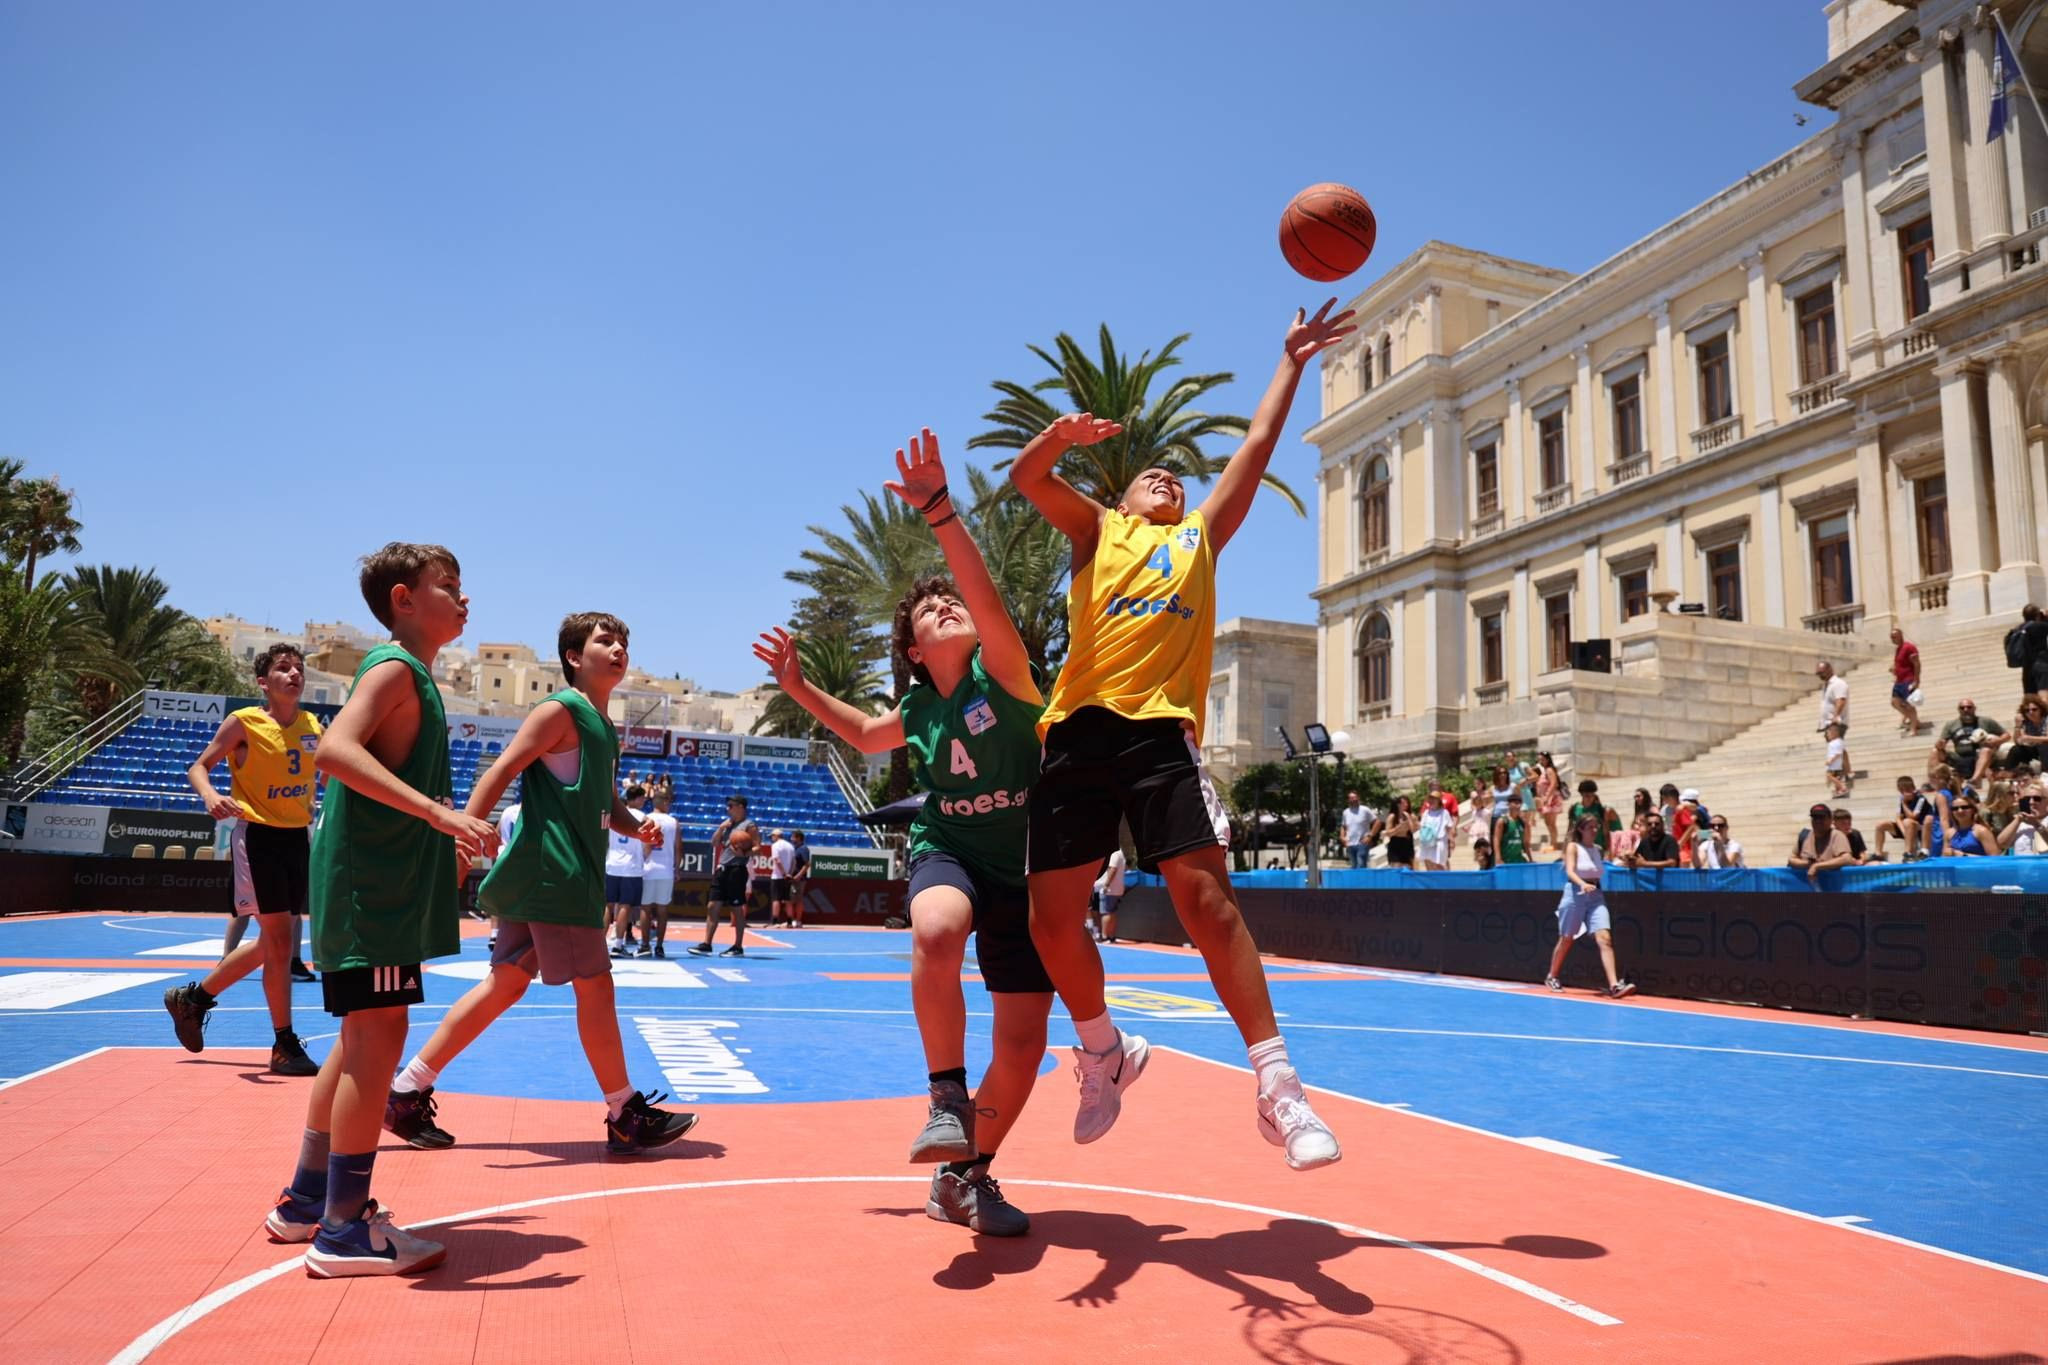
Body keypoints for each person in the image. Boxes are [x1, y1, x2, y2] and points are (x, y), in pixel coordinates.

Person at [1007, 301, 1353, 1170]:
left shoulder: (1200, 537)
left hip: (1160, 731)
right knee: (1050, 923)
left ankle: (1278, 1086)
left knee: (1206, 902)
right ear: (1121, 498)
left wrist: (1291, 360)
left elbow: (1258, 445)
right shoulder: (1098, 530)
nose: (1165, 477)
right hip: (1077, 733)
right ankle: (1104, 1049)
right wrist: (1058, 438)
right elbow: (1027, 477)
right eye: (1148, 475)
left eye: (1175, 476)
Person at [749, 427, 1057, 1234]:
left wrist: (941, 512)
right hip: (949, 848)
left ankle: (964, 1176)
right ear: (916, 651)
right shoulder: (918, 706)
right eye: (929, 609)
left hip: (1025, 869)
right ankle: (945, 1094)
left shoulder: (1007, 672)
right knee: (938, 927)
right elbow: (860, 732)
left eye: (951, 600)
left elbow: (985, 597)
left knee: (1024, 1043)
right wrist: (798, 685)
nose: (948, 604)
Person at [259, 542, 498, 1275]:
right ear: (403, 599)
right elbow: (334, 750)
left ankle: (307, 1200)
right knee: (379, 1036)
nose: (464, 598)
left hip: (376, 885)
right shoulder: (394, 668)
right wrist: (438, 814)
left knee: (359, 1038)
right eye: (448, 586)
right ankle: (344, 1227)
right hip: (372, 891)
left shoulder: (411, 675)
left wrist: (442, 835)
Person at [383, 611, 695, 1156]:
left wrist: (633, 826)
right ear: (574, 657)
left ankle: (406, 1091)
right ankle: (624, 1112)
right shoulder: (560, 711)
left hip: (551, 873)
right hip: (558, 873)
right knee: (595, 986)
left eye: (623, 641)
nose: (619, 648)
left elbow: (604, 801)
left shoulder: (602, 725)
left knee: (504, 984)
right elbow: (500, 770)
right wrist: (464, 837)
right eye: (605, 640)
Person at [164, 643, 324, 1076]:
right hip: (258, 836)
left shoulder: (313, 725)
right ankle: (283, 1043)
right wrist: (211, 795)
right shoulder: (245, 722)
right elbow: (199, 767)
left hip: (297, 837)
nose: (294, 674)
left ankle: (193, 999)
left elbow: (330, 772)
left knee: (275, 943)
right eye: (283, 668)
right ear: (263, 682)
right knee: (280, 942)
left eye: (299, 668)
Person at [1545, 814, 1635, 999]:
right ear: (1581, 829)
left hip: (1596, 895)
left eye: (1596, 827)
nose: (1594, 830)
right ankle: (1552, 976)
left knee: (1605, 938)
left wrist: (1624, 860)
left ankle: (1614, 985)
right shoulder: (1573, 847)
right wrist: (1582, 884)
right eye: (1590, 827)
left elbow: (1603, 867)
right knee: (1567, 938)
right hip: (1575, 893)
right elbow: (1570, 871)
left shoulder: (1598, 849)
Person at [688, 796, 758, 957]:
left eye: (731, 805)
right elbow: (714, 843)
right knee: (712, 906)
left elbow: (757, 848)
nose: (728, 808)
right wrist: (720, 829)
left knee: (736, 908)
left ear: (741, 807)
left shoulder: (750, 826)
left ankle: (738, 946)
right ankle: (707, 944)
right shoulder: (727, 824)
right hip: (722, 868)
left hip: (737, 869)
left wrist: (744, 853)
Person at [605, 784, 649, 957]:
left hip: (612, 863)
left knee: (608, 906)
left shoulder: (614, 814)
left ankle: (599, 944)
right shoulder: (641, 816)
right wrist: (643, 859)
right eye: (642, 798)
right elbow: (647, 843)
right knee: (625, 905)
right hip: (631, 866)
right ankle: (618, 944)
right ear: (637, 799)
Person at [637, 789, 679, 955]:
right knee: (662, 910)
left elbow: (642, 844)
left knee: (645, 908)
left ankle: (645, 944)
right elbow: (678, 847)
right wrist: (677, 868)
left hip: (647, 868)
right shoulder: (673, 822)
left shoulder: (646, 818)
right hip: (666, 870)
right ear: (664, 802)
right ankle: (659, 945)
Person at [1933, 699, 2004, 788]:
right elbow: (1942, 742)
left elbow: (2006, 735)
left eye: (1969, 707)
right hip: (1959, 757)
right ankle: (1933, 781)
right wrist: (1940, 745)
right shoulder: (1951, 724)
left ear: (1974, 708)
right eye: (1962, 708)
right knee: (1935, 751)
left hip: (1981, 756)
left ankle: (1975, 780)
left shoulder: (1986, 721)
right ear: (1958, 710)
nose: (1966, 710)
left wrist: (1997, 741)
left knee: (1986, 750)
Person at [1788, 802, 1857, 883]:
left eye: (1822, 817)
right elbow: (1791, 859)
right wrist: (1808, 864)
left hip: (1833, 886)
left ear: (1830, 820)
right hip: (1808, 886)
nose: (1818, 821)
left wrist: (1817, 866)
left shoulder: (1837, 835)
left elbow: (1847, 859)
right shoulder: (1804, 836)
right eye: (1815, 818)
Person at [1873, 776, 1934, 862]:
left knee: (1907, 821)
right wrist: (1904, 831)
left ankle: (1908, 853)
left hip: (1920, 827)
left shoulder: (1920, 798)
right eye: (1902, 791)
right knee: (1880, 825)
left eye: (1908, 790)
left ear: (1913, 788)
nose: (1905, 793)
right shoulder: (1901, 798)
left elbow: (1913, 816)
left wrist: (1904, 804)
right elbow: (1898, 818)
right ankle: (1878, 854)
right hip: (1906, 827)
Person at [1567, 779, 1620, 856]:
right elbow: (1570, 831)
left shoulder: (1600, 809)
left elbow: (1606, 832)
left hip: (1598, 848)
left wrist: (1608, 850)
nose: (1590, 798)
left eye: (1592, 795)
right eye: (1587, 796)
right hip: (1580, 847)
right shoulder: (1574, 808)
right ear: (1581, 794)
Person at [1889, 627, 1922, 735]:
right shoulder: (1898, 649)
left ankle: (1913, 728)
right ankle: (1914, 720)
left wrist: (1916, 680)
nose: (1893, 639)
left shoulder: (1909, 647)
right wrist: (1894, 669)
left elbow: (1917, 664)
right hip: (1899, 681)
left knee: (1909, 705)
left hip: (1908, 680)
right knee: (1894, 702)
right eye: (1891, 637)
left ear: (1901, 635)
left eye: (1895, 636)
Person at [1093, 846, 1128, 944]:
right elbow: (1124, 868)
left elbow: (1113, 869)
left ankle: (1104, 936)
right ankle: (1111, 936)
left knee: (1106, 913)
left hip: (1110, 889)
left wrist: (1106, 885)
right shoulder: (1121, 854)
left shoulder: (1114, 853)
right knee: (1112, 912)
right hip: (1117, 889)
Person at [1999, 789, 2048, 856]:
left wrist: (2037, 825)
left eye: (2037, 798)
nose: (2031, 802)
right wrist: (2018, 819)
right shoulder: (2020, 822)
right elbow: (2002, 844)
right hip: (2021, 862)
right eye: (2027, 799)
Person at [1534, 752, 1564, 853]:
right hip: (1546, 799)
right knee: (1548, 822)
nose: (1540, 761)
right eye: (1539, 760)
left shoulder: (1549, 770)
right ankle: (1553, 842)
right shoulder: (1545, 770)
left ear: (1547, 759)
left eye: (1542, 759)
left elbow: (1553, 783)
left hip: (1551, 799)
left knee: (1551, 822)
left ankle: (1554, 844)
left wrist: (1547, 797)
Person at [770, 828, 800, 927]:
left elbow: (777, 860)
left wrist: (783, 874)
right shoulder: (790, 846)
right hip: (787, 877)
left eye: (772, 836)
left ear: (776, 836)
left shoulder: (775, 846)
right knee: (787, 900)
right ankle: (789, 922)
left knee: (776, 899)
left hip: (777, 876)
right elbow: (794, 862)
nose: (772, 838)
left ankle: (775, 922)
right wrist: (789, 874)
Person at [1339, 790, 1377, 869]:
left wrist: (1370, 836)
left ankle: (1362, 877)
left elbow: (1377, 822)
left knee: (1361, 865)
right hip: (1350, 844)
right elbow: (1343, 826)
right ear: (1348, 800)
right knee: (1353, 866)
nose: (1353, 799)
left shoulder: (1365, 810)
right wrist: (1342, 837)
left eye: (1354, 797)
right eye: (1351, 798)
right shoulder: (1345, 812)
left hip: (1362, 843)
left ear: (1358, 798)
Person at [1493, 791, 1531, 865]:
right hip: (1505, 861)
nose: (1518, 806)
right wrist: (1498, 858)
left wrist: (1530, 859)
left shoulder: (1523, 822)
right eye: (1515, 803)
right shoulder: (1503, 821)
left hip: (1519, 861)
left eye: (1520, 803)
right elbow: (1496, 840)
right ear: (1508, 804)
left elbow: (1525, 843)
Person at [1416, 792, 1451, 872]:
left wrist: (1451, 841)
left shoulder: (1444, 812)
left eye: (1434, 799)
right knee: (1429, 865)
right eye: (1430, 799)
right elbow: (1422, 826)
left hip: (1439, 842)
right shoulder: (1426, 813)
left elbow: (1448, 828)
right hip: (1427, 842)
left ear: (1439, 801)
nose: (1431, 801)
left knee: (1439, 866)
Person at [1383, 795, 1417, 870]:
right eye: (1403, 803)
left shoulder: (1406, 815)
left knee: (1409, 867)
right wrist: (1398, 829)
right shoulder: (1392, 816)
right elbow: (1388, 833)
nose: (1406, 804)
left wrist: (1409, 820)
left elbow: (1412, 830)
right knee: (1397, 867)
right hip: (1396, 844)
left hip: (1406, 843)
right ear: (1398, 805)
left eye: (1406, 803)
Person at [1825, 722, 1850, 799]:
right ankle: (1839, 791)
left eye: (1829, 733)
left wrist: (1830, 761)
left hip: (1834, 765)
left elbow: (1838, 753)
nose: (1827, 735)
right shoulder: (1835, 742)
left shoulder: (1837, 742)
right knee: (1836, 778)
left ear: (1836, 732)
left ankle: (1843, 787)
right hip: (1836, 765)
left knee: (1829, 776)